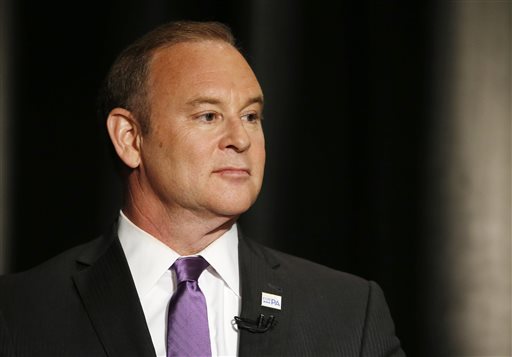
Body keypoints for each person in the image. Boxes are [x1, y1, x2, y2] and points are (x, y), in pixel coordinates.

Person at [0, 20, 405, 357]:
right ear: (129, 137)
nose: (240, 139)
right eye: (209, 115)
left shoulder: (349, 311)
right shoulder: (20, 312)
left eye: (250, 116)